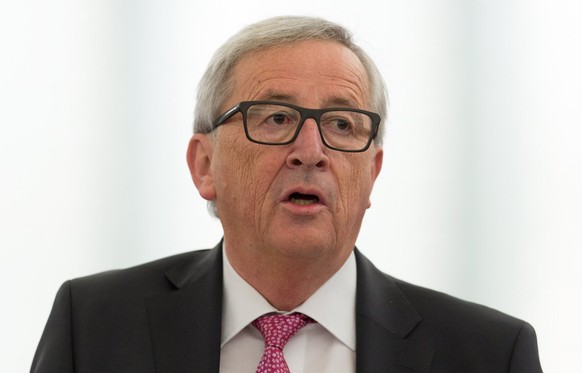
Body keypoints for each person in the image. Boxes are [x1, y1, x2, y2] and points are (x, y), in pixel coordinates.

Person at [31, 16, 543, 373]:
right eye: (277, 118)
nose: (311, 151)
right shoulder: (94, 325)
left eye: (342, 124)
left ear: (372, 174)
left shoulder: (489, 354)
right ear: (205, 166)